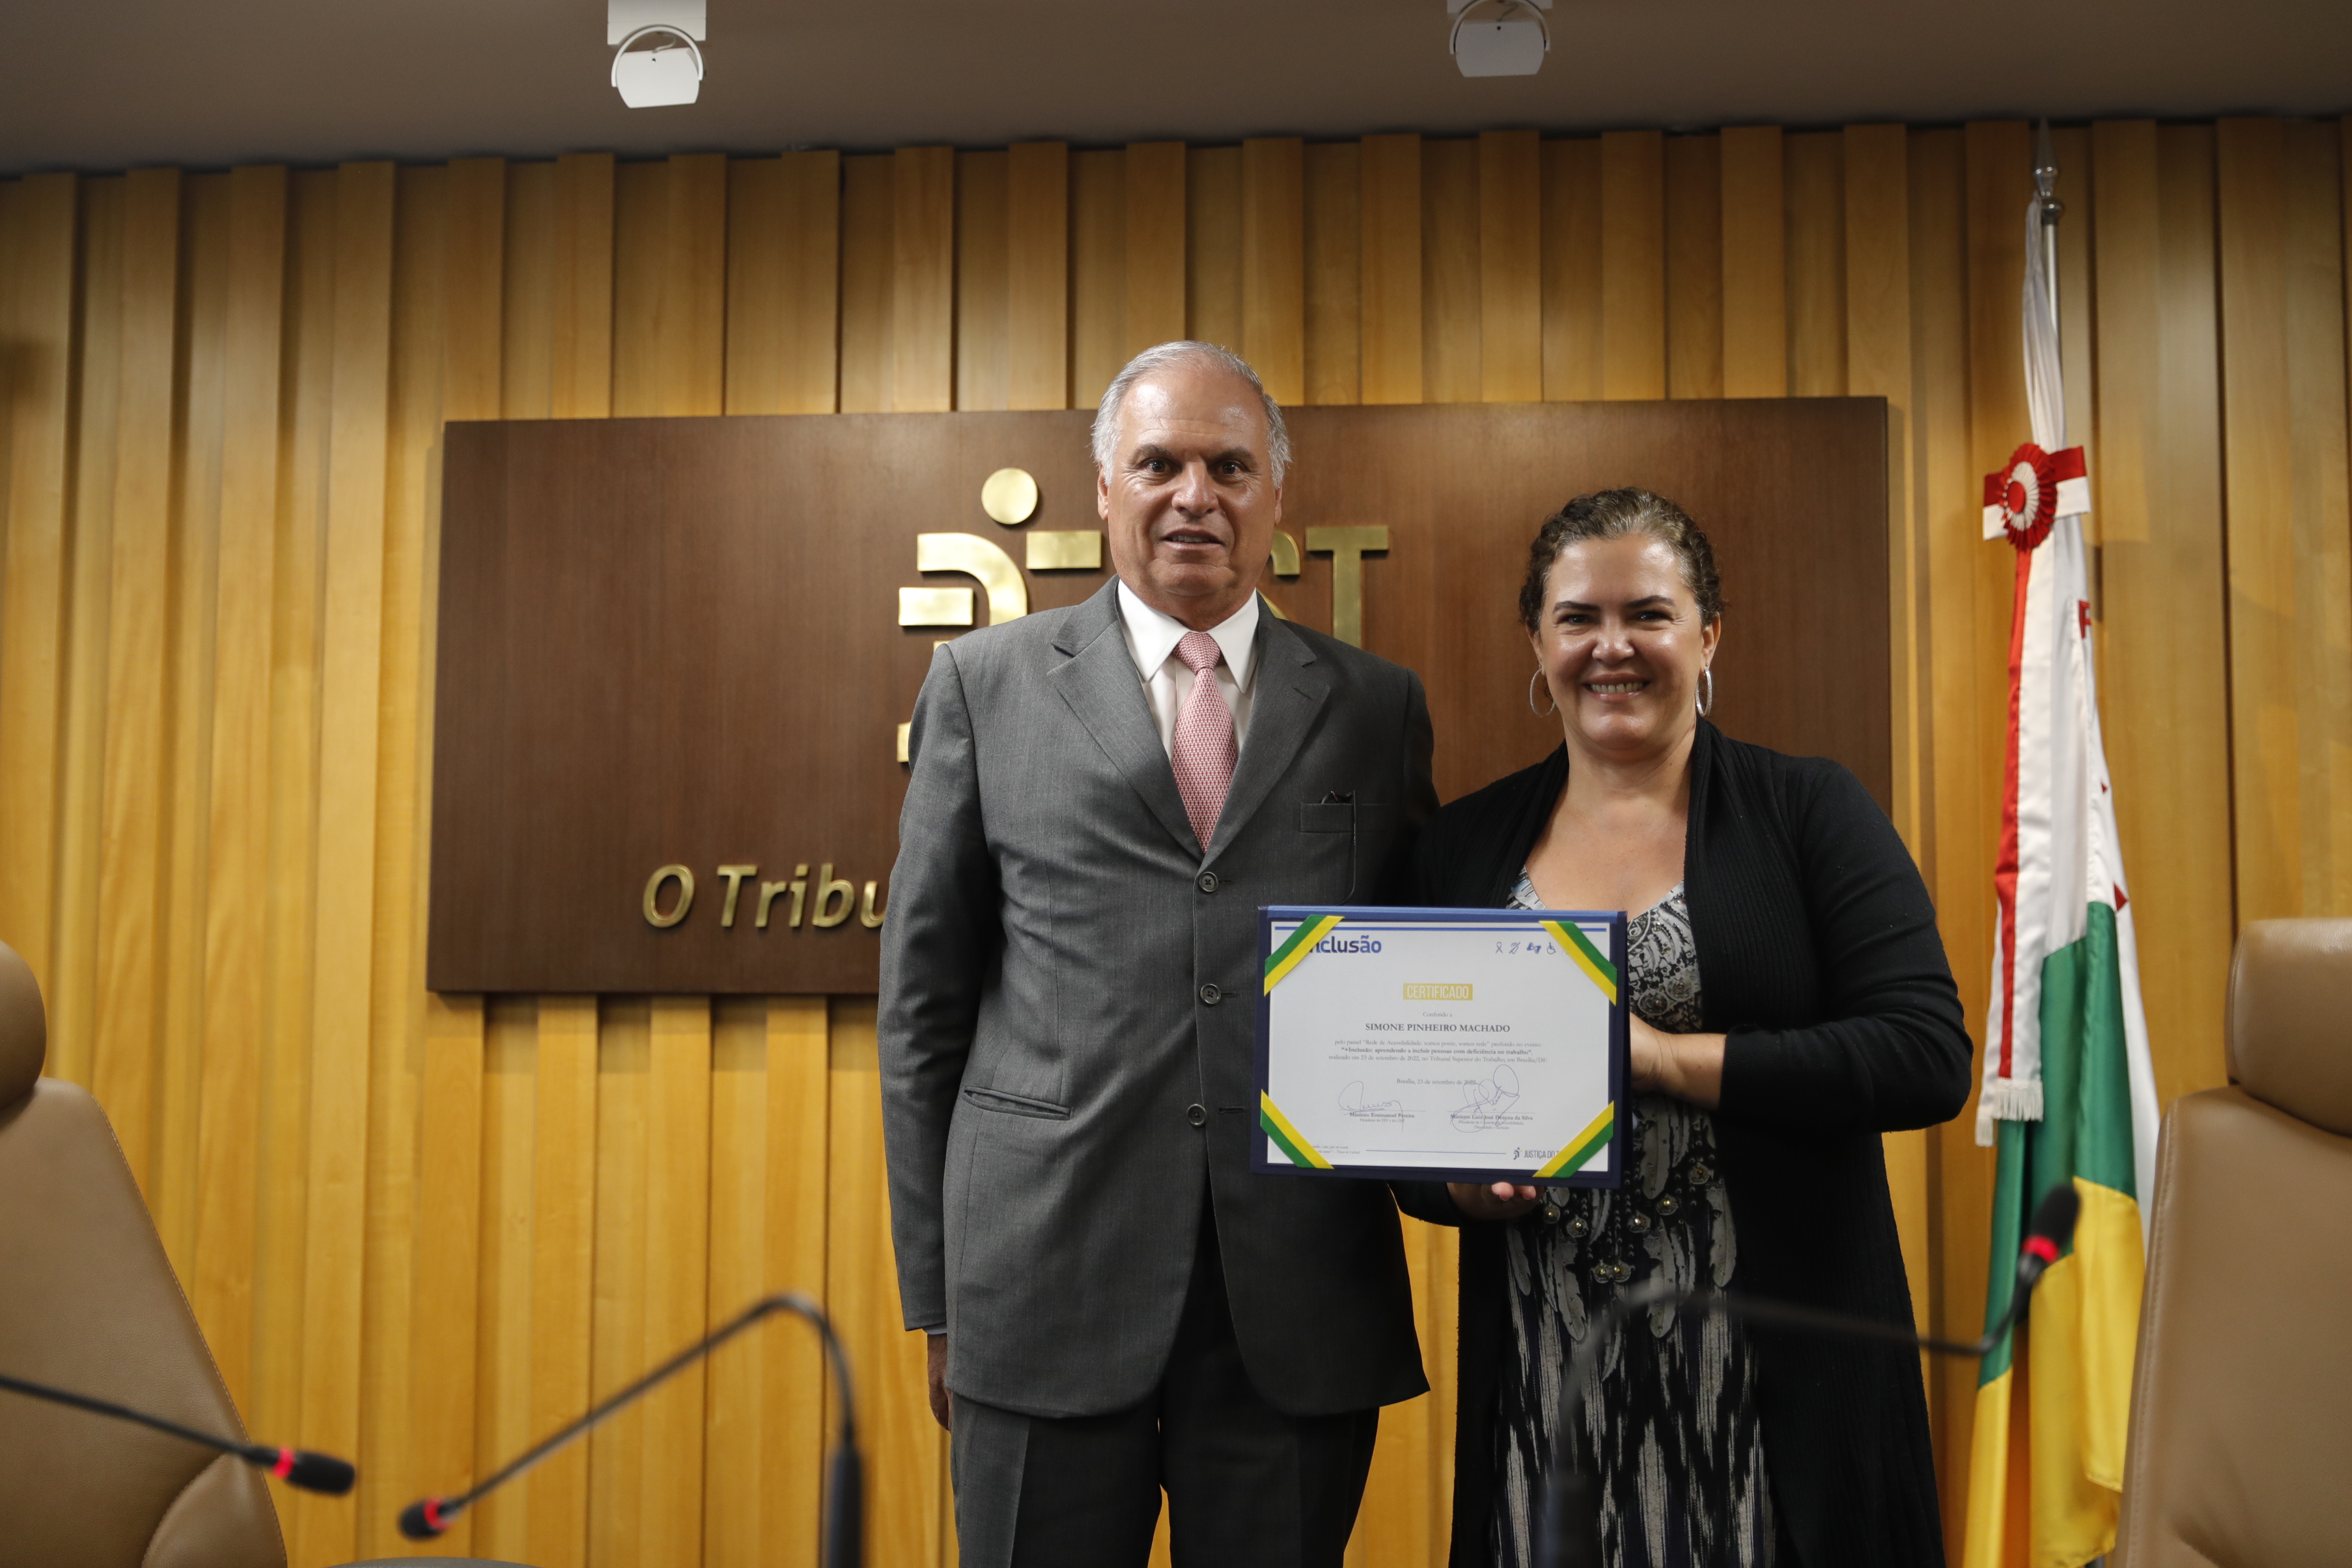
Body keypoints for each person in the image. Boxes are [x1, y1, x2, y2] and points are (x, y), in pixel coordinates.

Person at [880, 341, 1439, 1567]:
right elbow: (921, 1016)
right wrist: (937, 1296)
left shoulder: (1376, 707)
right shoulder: (983, 686)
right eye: (1161, 462)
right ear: (1103, 487)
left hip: (1294, 1299)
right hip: (1040, 1285)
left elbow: (1416, 970)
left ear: (1277, 497)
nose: (1197, 493)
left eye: (1231, 465)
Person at [1406, 489, 1970, 1568]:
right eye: (1578, 618)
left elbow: (1924, 1054)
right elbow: (1418, 1112)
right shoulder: (1466, 848)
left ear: (1709, 634)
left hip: (1770, 1377)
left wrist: (1663, 1058)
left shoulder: (1810, 811)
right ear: (1538, 639)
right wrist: (1454, 1187)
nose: (1612, 646)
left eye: (1649, 614)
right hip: (1545, 1370)